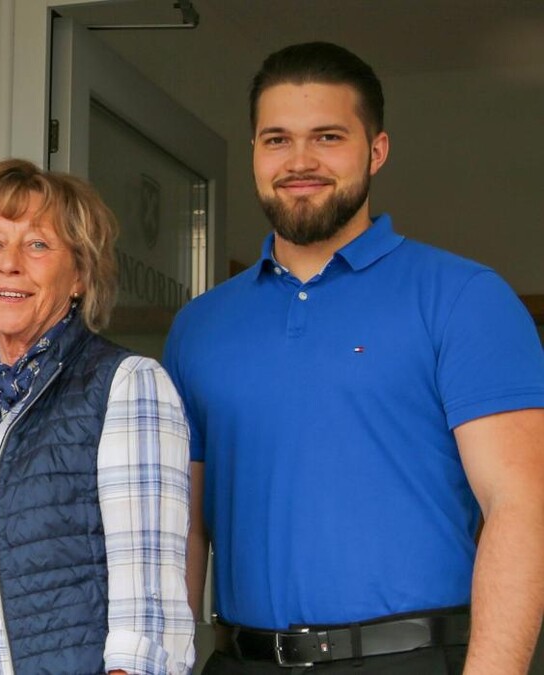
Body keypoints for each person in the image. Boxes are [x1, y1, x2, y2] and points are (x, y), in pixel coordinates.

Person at [163, 41, 544, 674]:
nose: (300, 161)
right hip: (239, 661)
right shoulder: (199, 327)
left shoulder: (463, 297)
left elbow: (522, 507)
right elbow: (181, 531)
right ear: (255, 153)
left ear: (377, 150)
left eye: (328, 137)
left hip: (408, 660)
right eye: (277, 139)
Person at [0, 159, 196, 674]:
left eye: (37, 244)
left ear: (78, 274)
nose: (10, 264)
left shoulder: (125, 386)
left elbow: (147, 621)